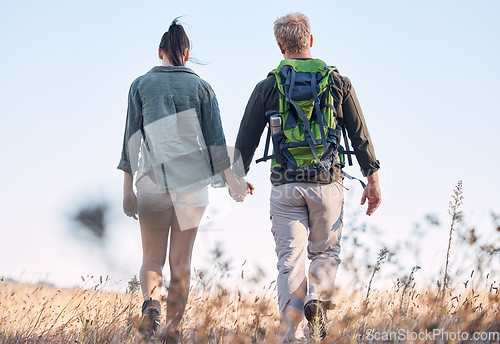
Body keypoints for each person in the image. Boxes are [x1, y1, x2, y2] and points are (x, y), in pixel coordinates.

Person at [234, 13, 381, 342]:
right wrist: (371, 179)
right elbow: (359, 135)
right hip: (327, 182)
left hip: (285, 185)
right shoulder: (337, 82)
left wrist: (236, 183)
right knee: (326, 253)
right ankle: (315, 295)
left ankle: (291, 335)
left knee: (290, 260)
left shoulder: (268, 86)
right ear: (310, 40)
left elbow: (245, 142)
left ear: (279, 45)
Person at [117, 19, 251, 342]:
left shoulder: (140, 85)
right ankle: (173, 331)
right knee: (181, 264)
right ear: (187, 53)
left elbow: (129, 143)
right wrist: (235, 183)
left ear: (159, 51)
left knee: (151, 259)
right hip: (191, 187)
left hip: (150, 183)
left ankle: (151, 307)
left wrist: (127, 190)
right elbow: (218, 148)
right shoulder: (203, 88)